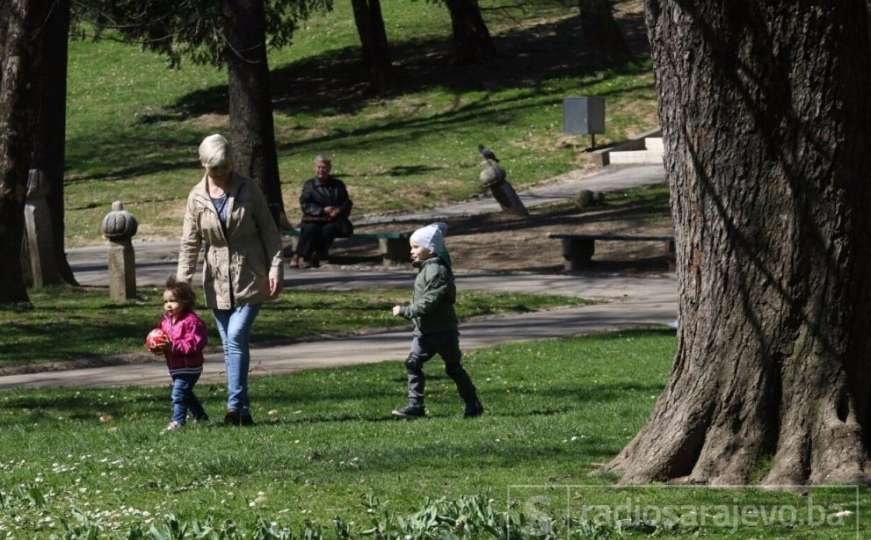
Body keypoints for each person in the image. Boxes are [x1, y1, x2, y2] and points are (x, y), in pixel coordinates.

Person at [177, 133, 283, 426]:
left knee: (236, 338)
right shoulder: (196, 197)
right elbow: (190, 243)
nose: (221, 174)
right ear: (203, 165)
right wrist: (181, 286)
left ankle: (234, 406)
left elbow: (270, 232)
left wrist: (275, 267)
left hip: (250, 274)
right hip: (217, 278)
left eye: (225, 167)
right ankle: (242, 412)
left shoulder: (249, 190)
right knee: (229, 345)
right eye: (215, 169)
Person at [390, 223, 483, 419]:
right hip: (425, 331)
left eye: (416, 247)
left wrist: (406, 310)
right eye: (411, 247)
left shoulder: (437, 271)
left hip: (442, 331)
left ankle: (473, 404)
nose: (411, 251)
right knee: (413, 363)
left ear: (430, 248)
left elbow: (428, 302)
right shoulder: (427, 269)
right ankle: (416, 406)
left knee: (453, 368)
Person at [147, 276, 210, 432]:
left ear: (185, 301)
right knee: (186, 393)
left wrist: (172, 345)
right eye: (165, 302)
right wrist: (157, 346)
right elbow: (163, 338)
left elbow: (194, 344)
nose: (168, 305)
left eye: (172, 301)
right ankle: (201, 417)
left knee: (179, 393)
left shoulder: (192, 322)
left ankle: (178, 422)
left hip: (190, 366)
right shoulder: (166, 321)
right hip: (175, 365)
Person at [290, 155, 353, 268]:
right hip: (315, 218)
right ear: (315, 168)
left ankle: (315, 255)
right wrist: (322, 210)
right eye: (319, 167)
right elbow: (305, 204)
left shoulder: (338, 184)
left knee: (328, 229)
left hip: (334, 220)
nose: (321, 170)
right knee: (311, 228)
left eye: (324, 167)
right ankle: (302, 255)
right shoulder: (309, 185)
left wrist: (338, 210)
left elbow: (347, 202)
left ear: (329, 169)